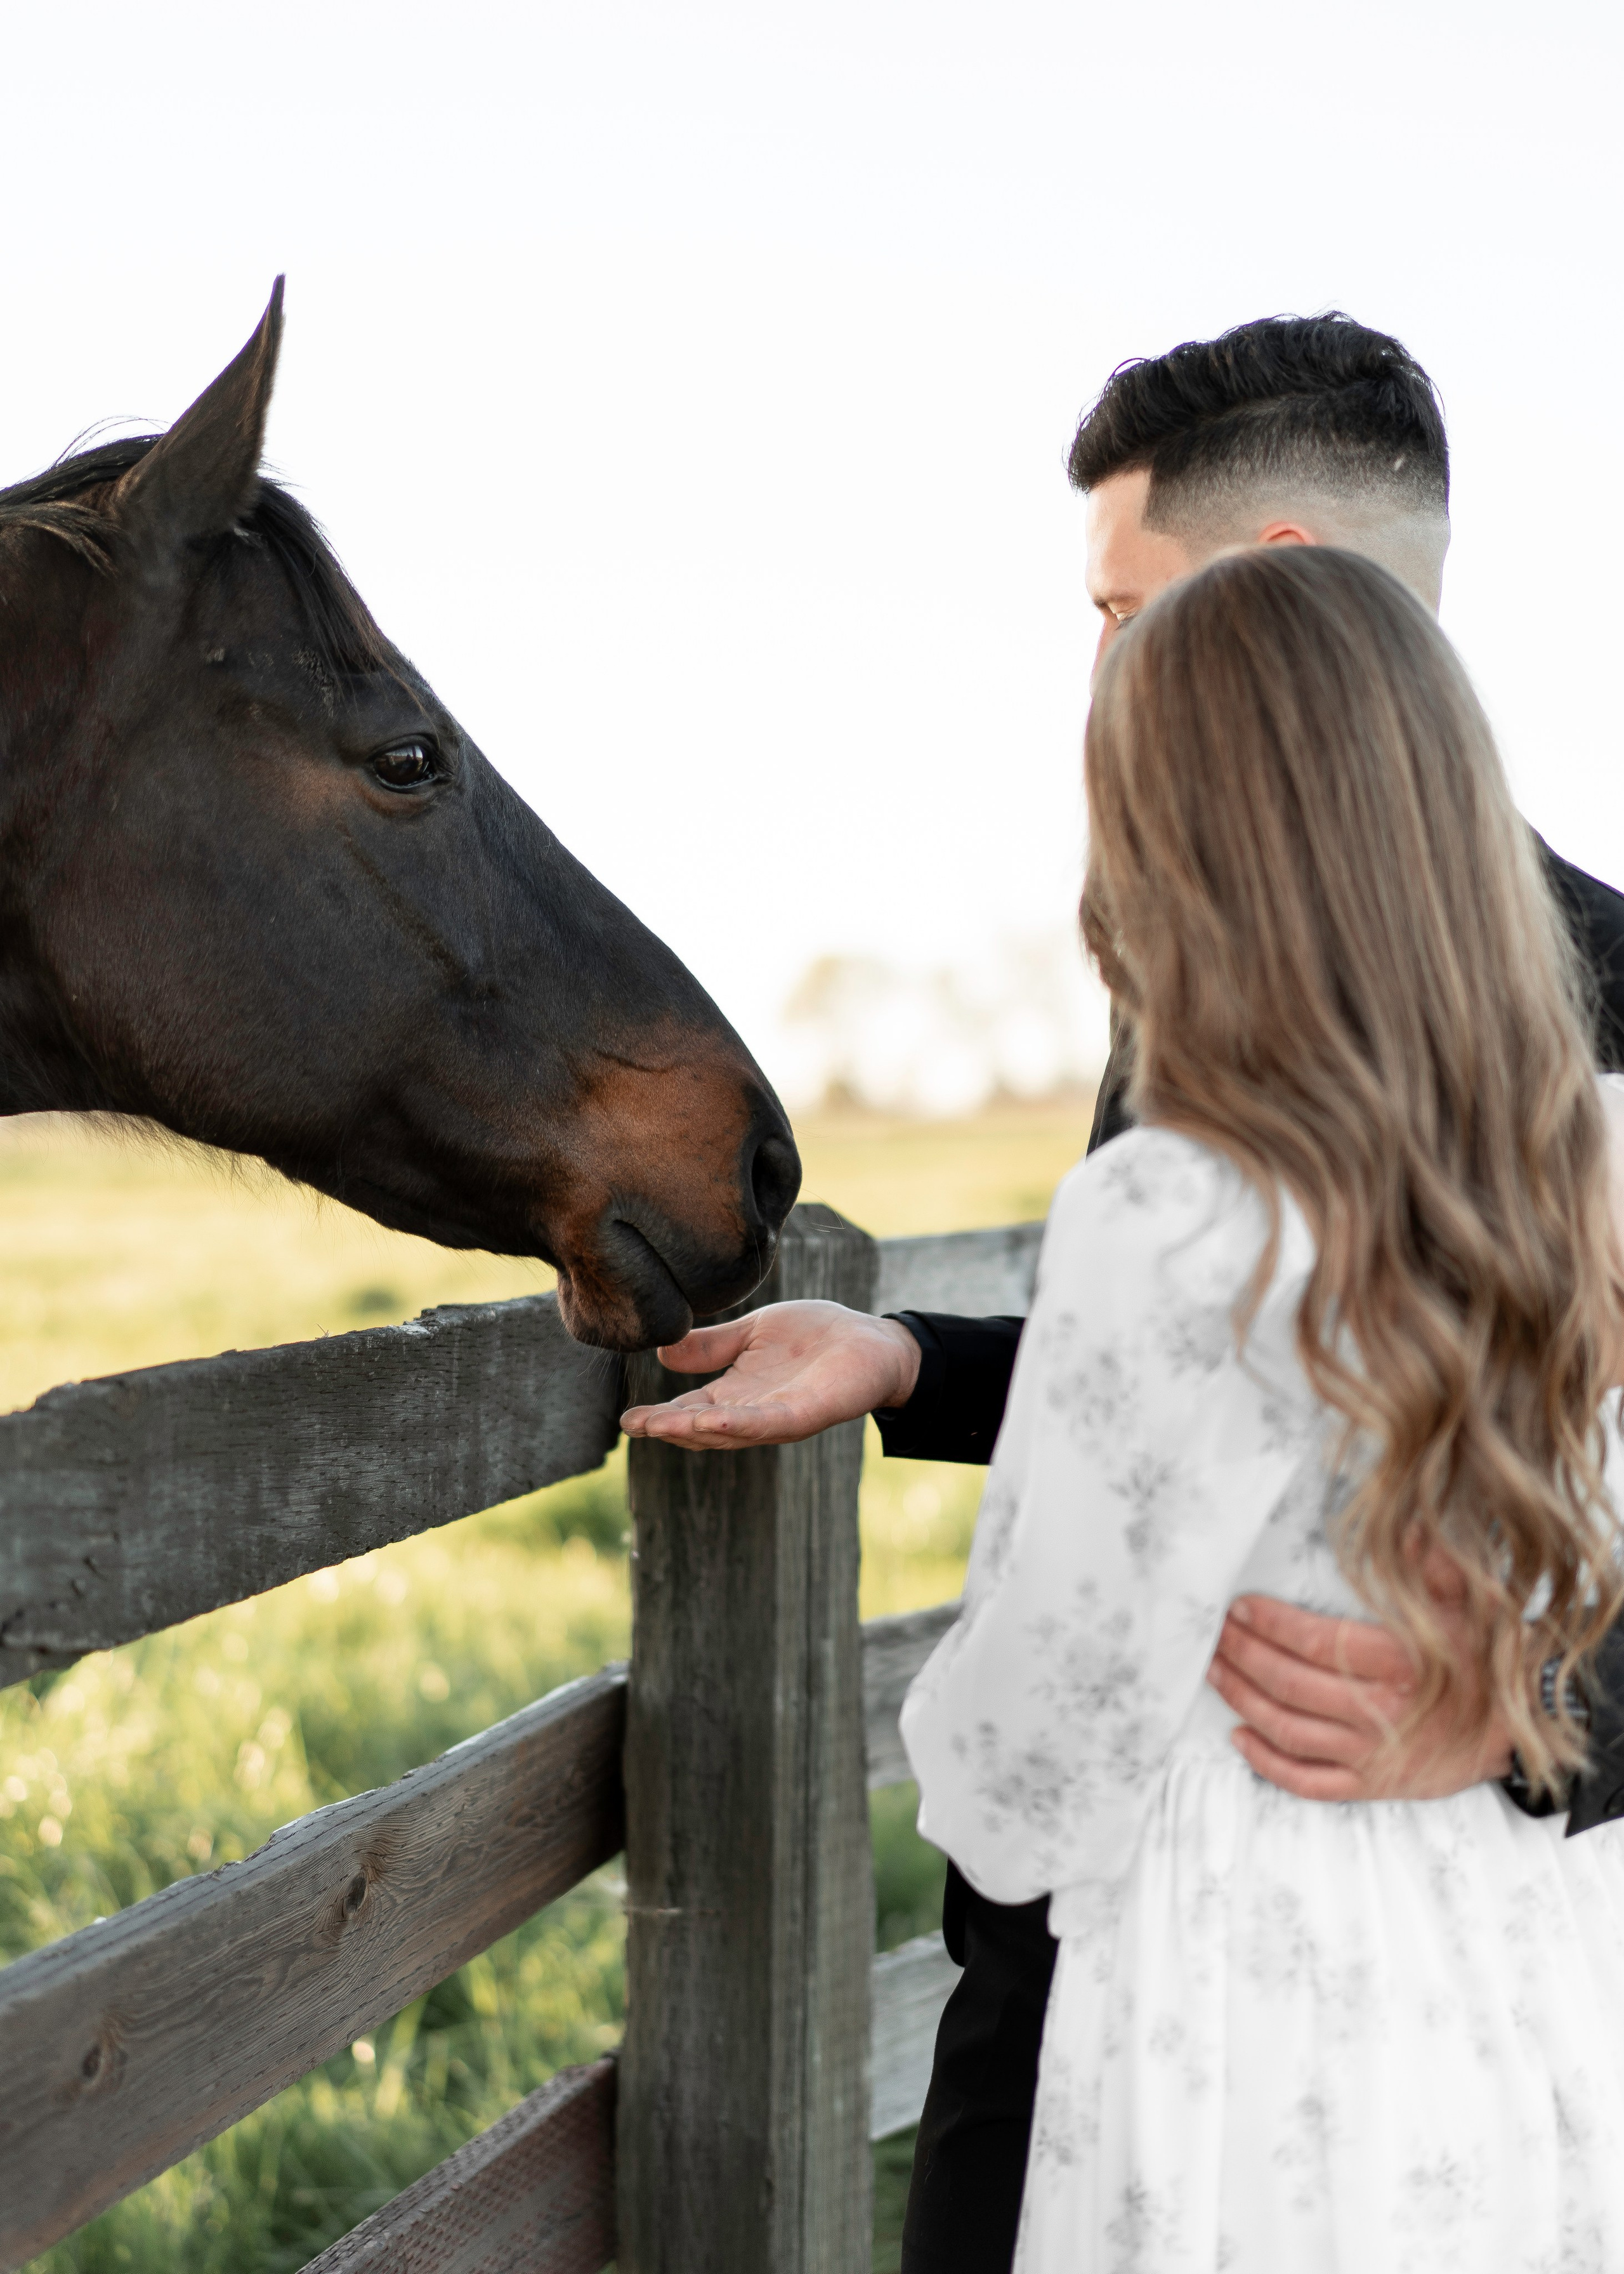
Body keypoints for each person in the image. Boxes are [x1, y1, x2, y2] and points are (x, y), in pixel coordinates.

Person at [620, 316, 1624, 2268]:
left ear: (1269, 596)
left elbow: (1048, 1705)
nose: (1097, 678)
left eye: (1119, 612)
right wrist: (906, 1359)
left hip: (1284, 1981)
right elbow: (1253, 1372)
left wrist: (1527, 1716)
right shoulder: (1282, 1026)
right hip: (1225, 2015)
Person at [906, 541, 1624, 2266]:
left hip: (1245, 2001)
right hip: (1524, 1958)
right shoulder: (1588, 1165)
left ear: (1180, 847)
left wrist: (959, 1765)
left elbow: (1035, 1759)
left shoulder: (1173, 1213)